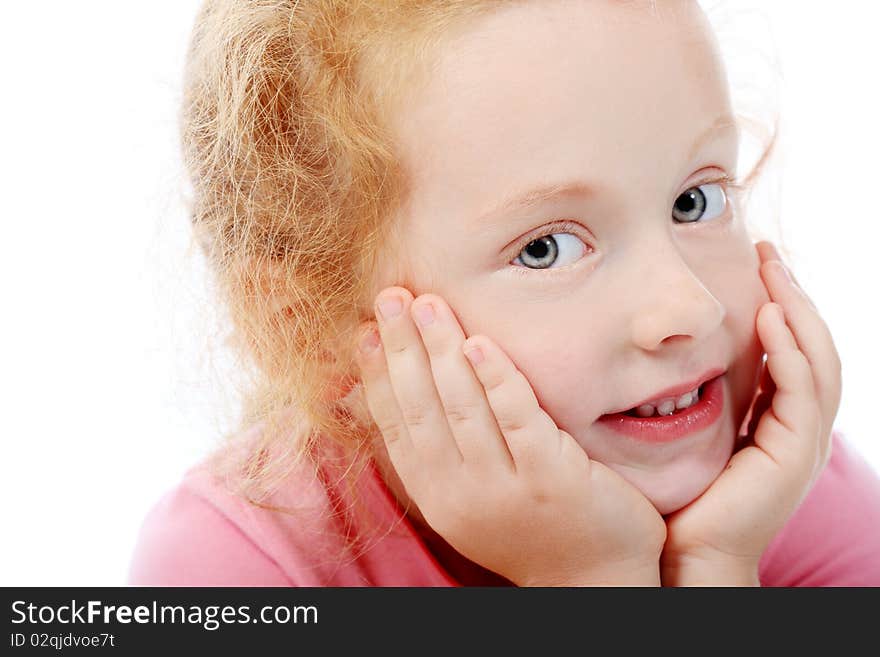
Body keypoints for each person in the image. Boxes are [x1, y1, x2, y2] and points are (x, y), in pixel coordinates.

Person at [128, 0, 880, 586]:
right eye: (546, 248)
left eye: (695, 201)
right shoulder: (236, 563)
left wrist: (718, 565)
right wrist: (588, 579)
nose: (690, 308)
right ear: (306, 329)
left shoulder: (781, 486)